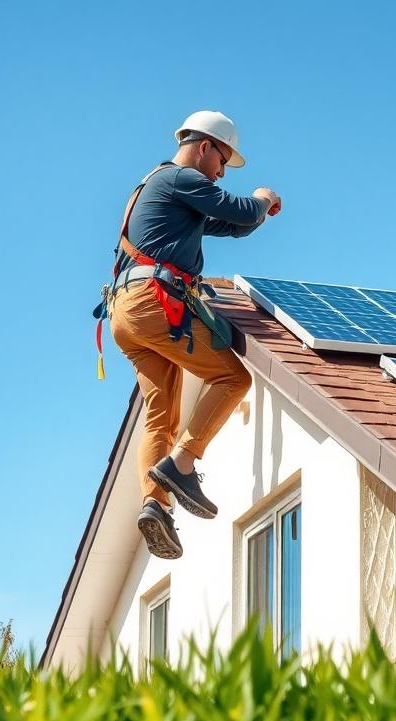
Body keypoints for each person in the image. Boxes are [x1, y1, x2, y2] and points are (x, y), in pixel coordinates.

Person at [105, 110, 281, 560]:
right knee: (232, 378)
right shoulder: (177, 178)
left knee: (159, 416)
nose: (222, 172)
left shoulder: (170, 191)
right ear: (204, 146)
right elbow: (240, 209)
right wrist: (261, 198)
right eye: (222, 161)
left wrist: (257, 214)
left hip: (126, 314)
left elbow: (234, 224)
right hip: (152, 302)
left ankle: (155, 504)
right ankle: (183, 465)